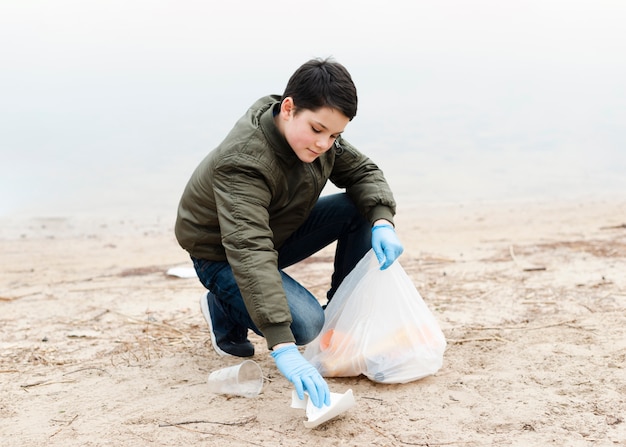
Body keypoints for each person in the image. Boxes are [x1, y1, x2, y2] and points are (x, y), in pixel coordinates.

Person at [175, 58, 404, 409]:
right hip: (222, 252)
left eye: (335, 135)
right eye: (317, 130)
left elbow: (363, 173)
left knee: (362, 208)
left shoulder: (314, 136)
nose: (324, 144)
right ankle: (222, 304)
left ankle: (340, 322)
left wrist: (382, 222)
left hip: (276, 230)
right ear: (288, 108)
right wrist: (282, 346)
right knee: (306, 325)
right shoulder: (243, 163)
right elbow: (249, 250)